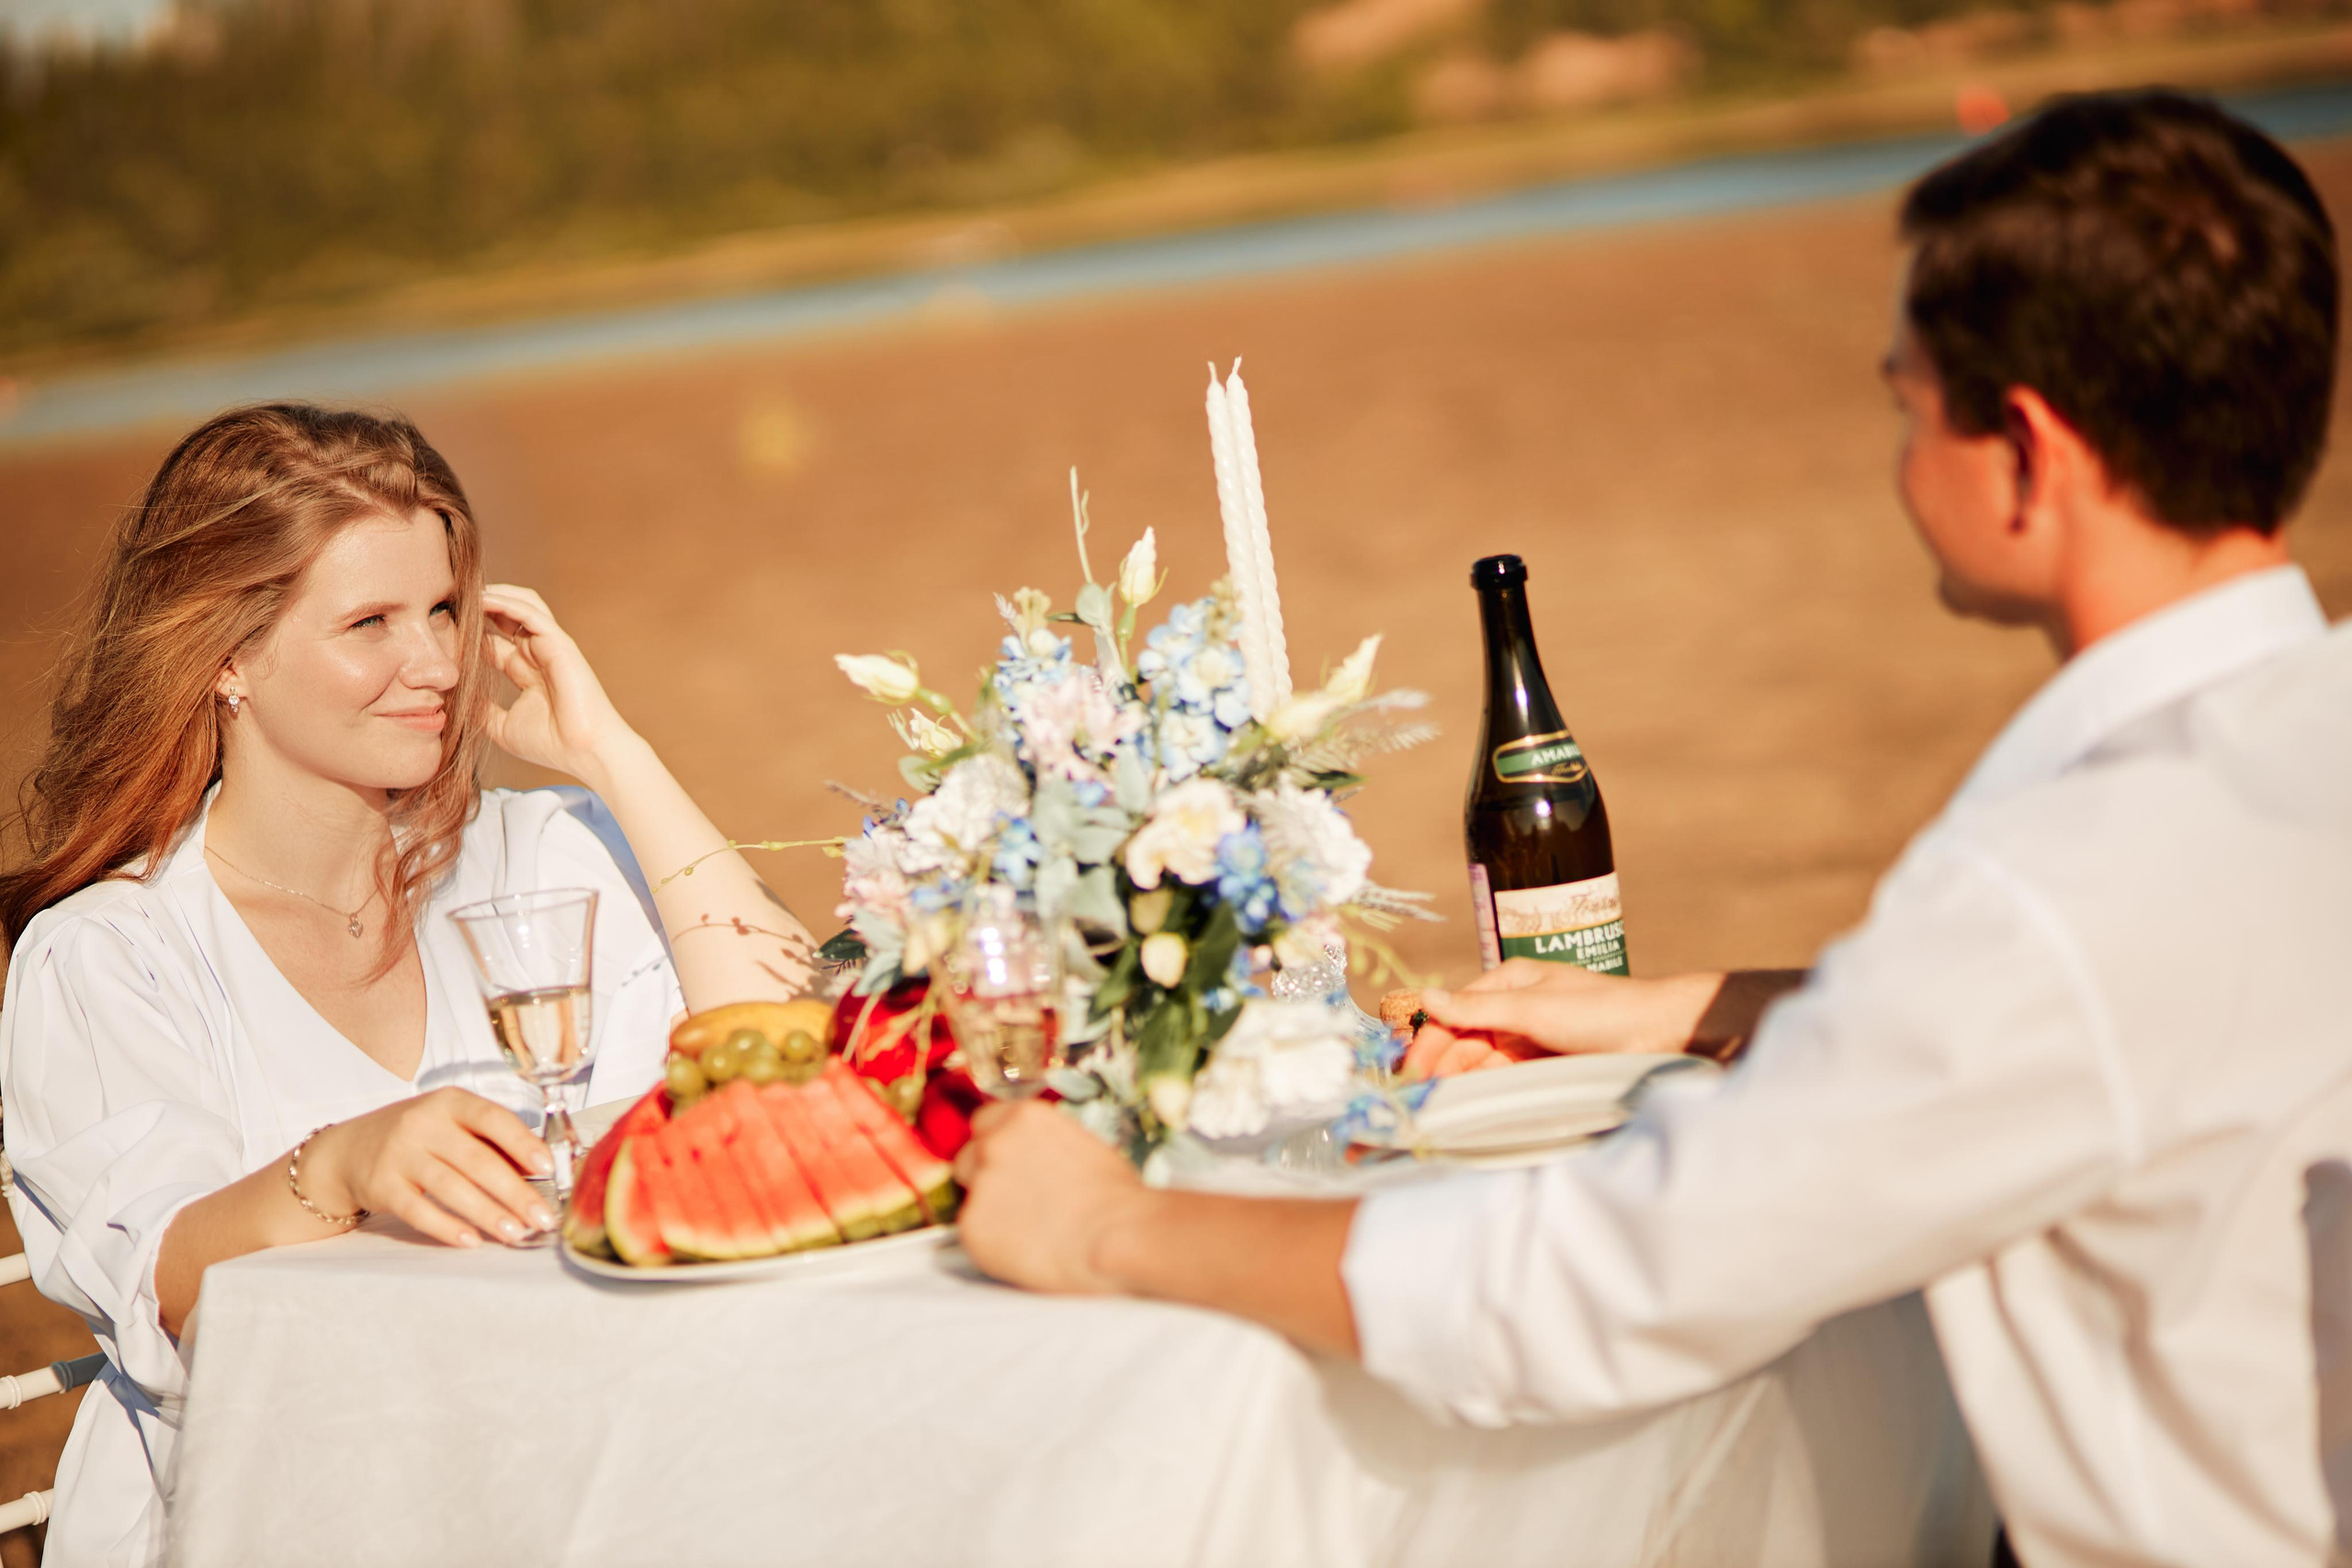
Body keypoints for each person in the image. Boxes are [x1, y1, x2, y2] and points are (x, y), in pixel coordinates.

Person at [952, 90, 2351, 1568]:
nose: (1896, 461)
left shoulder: (2050, 885)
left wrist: (1108, 1227)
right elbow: (2158, 999)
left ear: (2027, 449)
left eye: (1905, 404)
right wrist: (1666, 1008)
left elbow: (1615, 1277)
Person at [0, 404, 818, 1566]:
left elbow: (788, 1073)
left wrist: (612, 754)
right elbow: (161, 1289)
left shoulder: (545, 855)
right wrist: (341, 1165)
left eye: (443, 610)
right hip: (293, 1518)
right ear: (228, 659)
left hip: (597, 1474)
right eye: (370, 623)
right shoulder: (112, 954)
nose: (435, 665)